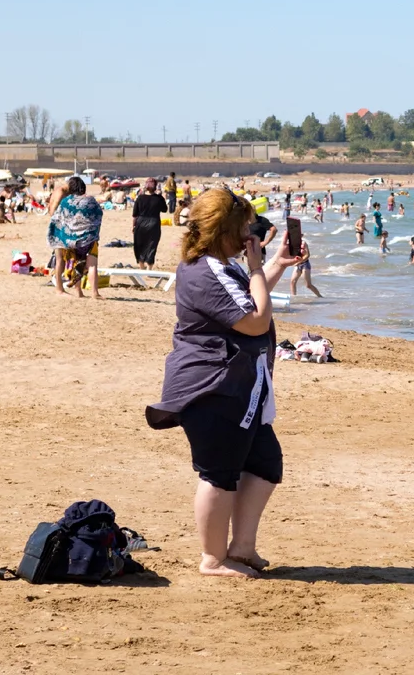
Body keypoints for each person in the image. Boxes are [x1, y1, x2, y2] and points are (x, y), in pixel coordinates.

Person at [146, 187, 302, 578]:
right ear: (225, 230)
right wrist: (254, 269)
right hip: (212, 385)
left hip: (241, 387)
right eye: (244, 227)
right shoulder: (202, 272)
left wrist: (275, 266)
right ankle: (213, 559)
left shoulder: (218, 264)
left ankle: (242, 547)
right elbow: (255, 321)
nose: (251, 234)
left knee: (265, 463)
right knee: (219, 472)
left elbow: (247, 296)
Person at [48, 176, 104, 298]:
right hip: (89, 238)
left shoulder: (65, 200)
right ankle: (95, 293)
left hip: (70, 239)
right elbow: (99, 214)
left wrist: (66, 231)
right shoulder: (91, 200)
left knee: (74, 263)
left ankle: (78, 291)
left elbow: (57, 216)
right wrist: (91, 228)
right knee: (92, 265)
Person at [132, 177, 167, 269]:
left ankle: (141, 266)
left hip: (141, 222)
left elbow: (135, 214)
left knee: (139, 244)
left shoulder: (140, 198)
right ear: (155, 187)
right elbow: (165, 209)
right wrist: (160, 196)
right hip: (154, 223)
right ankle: (149, 268)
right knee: (152, 245)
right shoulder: (158, 198)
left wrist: (133, 226)